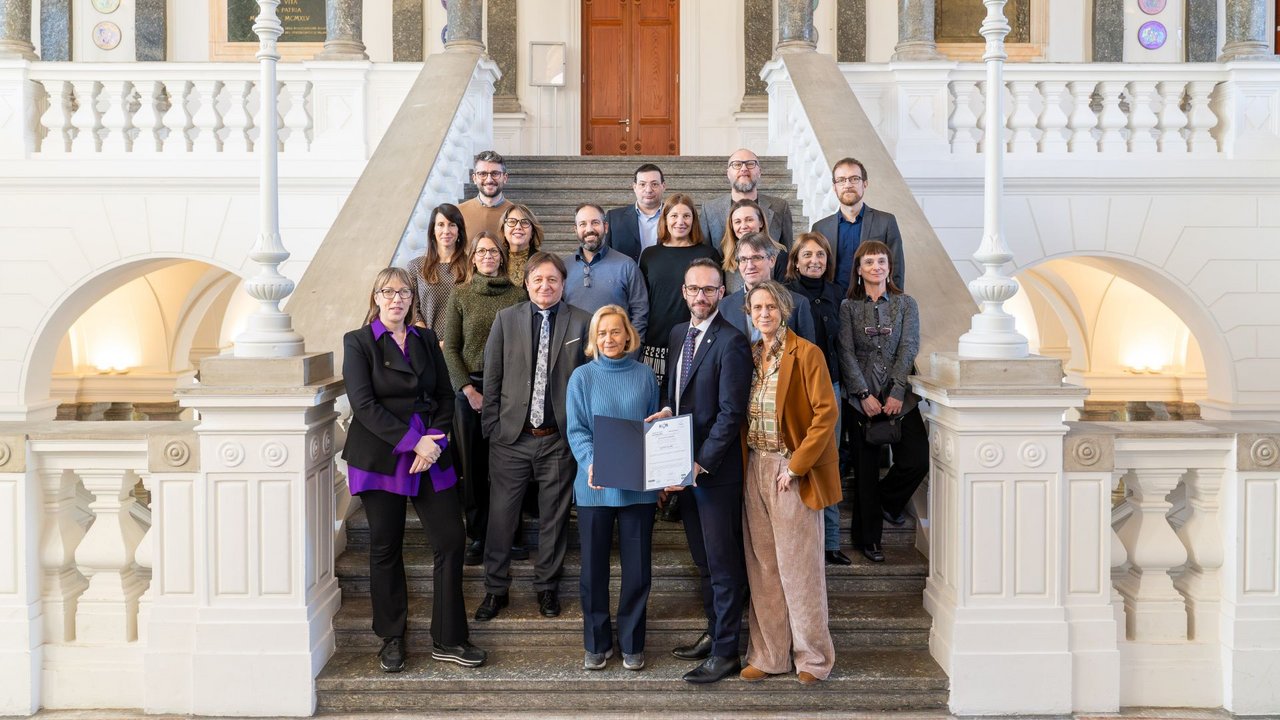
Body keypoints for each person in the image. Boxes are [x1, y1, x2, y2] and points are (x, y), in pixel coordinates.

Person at [342, 267, 486, 672]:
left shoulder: (425, 339)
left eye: (403, 291)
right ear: (376, 297)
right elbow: (363, 405)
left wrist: (436, 441)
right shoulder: (358, 343)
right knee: (386, 546)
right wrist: (413, 442)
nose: (396, 298)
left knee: (451, 539)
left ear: (412, 298)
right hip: (382, 454)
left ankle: (449, 637)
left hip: (431, 452)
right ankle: (391, 637)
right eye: (387, 292)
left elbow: (444, 395)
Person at [646, 258, 752, 684]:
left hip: (714, 472)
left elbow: (730, 414)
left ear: (721, 293)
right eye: (694, 289)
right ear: (684, 292)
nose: (701, 296)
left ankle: (727, 652)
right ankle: (714, 632)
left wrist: (700, 463)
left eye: (709, 289)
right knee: (703, 562)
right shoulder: (677, 334)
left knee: (723, 565)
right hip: (680, 469)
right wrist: (667, 413)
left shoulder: (732, 341)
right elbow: (681, 393)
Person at [478, 252, 592, 622]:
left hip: (557, 439)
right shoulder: (505, 319)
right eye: (538, 279)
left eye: (553, 280)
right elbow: (491, 377)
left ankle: (547, 587)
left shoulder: (582, 322)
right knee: (501, 518)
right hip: (511, 438)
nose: (545, 286)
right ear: (526, 283)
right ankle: (496, 589)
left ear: (563, 284)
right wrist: (493, 430)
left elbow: (589, 381)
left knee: (554, 519)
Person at [737, 280, 840, 684]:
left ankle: (813, 659)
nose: (764, 313)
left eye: (771, 307)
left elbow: (825, 414)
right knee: (763, 567)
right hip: (754, 468)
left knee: (799, 567)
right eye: (757, 307)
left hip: (789, 470)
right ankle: (769, 655)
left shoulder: (806, 353)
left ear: (784, 309)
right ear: (750, 312)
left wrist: (796, 466)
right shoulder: (750, 355)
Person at [566, 305, 660, 672]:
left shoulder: (645, 376)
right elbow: (577, 431)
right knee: (593, 570)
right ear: (594, 338)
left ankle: (633, 643)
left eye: (615, 332)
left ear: (628, 335)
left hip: (638, 489)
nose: (609, 339)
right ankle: (596, 642)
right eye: (602, 333)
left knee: (637, 570)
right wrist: (594, 464)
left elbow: (652, 428)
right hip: (594, 488)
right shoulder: (581, 378)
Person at [837, 240, 929, 563]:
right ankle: (868, 539)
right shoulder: (848, 306)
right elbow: (845, 352)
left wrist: (897, 390)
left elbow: (909, 346)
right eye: (869, 262)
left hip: (898, 397)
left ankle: (888, 502)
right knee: (865, 471)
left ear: (889, 267)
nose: (876, 267)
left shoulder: (907, 304)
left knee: (917, 458)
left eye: (881, 261)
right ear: (859, 270)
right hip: (860, 401)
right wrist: (863, 395)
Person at [440, 232, 528, 567]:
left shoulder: (519, 295)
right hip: (469, 391)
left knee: (509, 466)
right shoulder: (460, 295)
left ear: (501, 257)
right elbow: (450, 348)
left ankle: (512, 532)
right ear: (472, 257)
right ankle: (478, 534)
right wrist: (467, 390)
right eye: (481, 251)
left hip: (509, 391)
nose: (488, 256)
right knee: (473, 466)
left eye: (493, 251)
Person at [784, 232, 850, 566]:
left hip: (831, 386)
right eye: (807, 255)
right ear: (795, 261)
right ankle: (804, 538)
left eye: (820, 255)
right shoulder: (786, 296)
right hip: (797, 389)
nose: (814, 261)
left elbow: (844, 345)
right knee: (798, 459)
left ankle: (831, 541)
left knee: (828, 460)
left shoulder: (837, 293)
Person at [637, 194, 722, 386]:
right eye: (674, 216)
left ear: (694, 220)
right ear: (665, 219)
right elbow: (642, 300)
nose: (680, 222)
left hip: (696, 340)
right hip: (656, 342)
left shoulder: (707, 253)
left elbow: (716, 298)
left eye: (686, 216)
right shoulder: (650, 255)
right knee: (656, 404)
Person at [811, 157, 905, 295]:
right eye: (841, 180)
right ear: (834, 187)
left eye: (854, 179)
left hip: (872, 303)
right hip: (832, 305)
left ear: (865, 184)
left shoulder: (886, 222)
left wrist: (894, 305)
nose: (848, 184)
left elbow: (896, 269)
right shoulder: (820, 228)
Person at [564, 202, 649, 338]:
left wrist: (631, 352)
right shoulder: (563, 267)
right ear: (575, 229)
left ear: (606, 227)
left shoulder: (626, 266)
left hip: (615, 353)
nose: (589, 229)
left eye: (595, 222)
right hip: (573, 354)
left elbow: (640, 313)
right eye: (583, 224)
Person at [717, 232, 817, 346]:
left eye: (756, 257)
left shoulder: (798, 304)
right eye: (743, 259)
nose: (749, 265)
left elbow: (808, 357)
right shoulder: (724, 306)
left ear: (772, 260)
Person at [700, 148, 794, 251]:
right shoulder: (709, 210)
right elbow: (704, 254)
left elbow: (788, 252)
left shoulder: (780, 207)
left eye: (750, 164)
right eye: (737, 164)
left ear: (759, 172)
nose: (744, 168)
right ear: (728, 173)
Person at [406, 203, 469, 331]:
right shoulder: (416, 266)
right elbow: (412, 308)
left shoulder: (471, 265)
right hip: (426, 345)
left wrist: (451, 341)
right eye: (440, 225)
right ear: (433, 230)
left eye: (452, 225)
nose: (446, 231)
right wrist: (430, 340)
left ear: (459, 231)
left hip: (462, 345)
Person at [718, 198, 788, 293]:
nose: (743, 226)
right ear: (732, 226)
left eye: (749, 220)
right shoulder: (723, 255)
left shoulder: (779, 254)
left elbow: (784, 295)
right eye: (737, 222)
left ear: (761, 222)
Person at [604, 163, 666, 262]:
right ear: (634, 187)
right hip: (624, 277)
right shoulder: (614, 218)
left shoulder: (676, 218)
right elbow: (604, 254)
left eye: (654, 184)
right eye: (642, 184)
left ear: (663, 186)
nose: (648, 190)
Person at [459, 150, 513, 239]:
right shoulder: (459, 212)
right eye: (482, 174)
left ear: (505, 178)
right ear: (474, 178)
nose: (489, 180)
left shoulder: (516, 214)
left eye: (495, 173)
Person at [500, 203, 544, 286]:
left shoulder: (543, 262)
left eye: (524, 222)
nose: (518, 227)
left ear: (532, 232)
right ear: (503, 231)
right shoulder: (495, 260)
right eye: (512, 222)